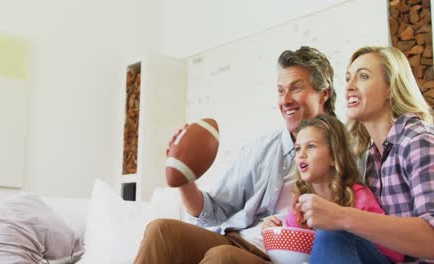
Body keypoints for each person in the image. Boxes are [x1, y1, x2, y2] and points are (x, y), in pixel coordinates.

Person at [134, 46, 336, 264]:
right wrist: (184, 178)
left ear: (323, 93)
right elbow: (214, 211)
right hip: (238, 241)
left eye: (296, 88)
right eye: (280, 90)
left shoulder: (344, 152)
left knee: (222, 258)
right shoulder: (261, 149)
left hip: (280, 257)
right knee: (161, 232)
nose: (285, 100)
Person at [295, 46, 434, 263]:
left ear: (391, 88)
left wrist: (340, 217)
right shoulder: (371, 156)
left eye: (363, 76)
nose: (349, 86)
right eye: (349, 78)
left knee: (334, 232)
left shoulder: (417, 140)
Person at [261, 114, 404, 263]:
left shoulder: (358, 196)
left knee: (330, 231)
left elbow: (394, 252)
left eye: (311, 146)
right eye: (297, 149)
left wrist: (345, 226)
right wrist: (274, 231)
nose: (301, 155)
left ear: (333, 157)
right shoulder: (300, 203)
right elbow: (295, 255)